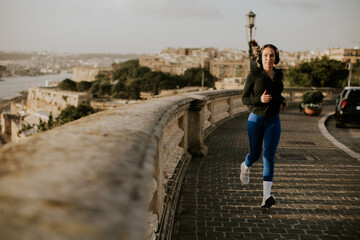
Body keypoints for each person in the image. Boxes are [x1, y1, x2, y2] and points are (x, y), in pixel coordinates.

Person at [240, 44, 288, 208]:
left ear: (276, 57)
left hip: (273, 121)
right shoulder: (254, 75)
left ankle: (266, 197)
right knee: (255, 154)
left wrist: (281, 100)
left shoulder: (278, 75)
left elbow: (275, 92)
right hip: (256, 120)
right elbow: (245, 99)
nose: (269, 58)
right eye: (266, 55)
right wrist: (259, 100)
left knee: (269, 157)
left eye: (272, 55)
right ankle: (245, 166)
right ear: (261, 58)